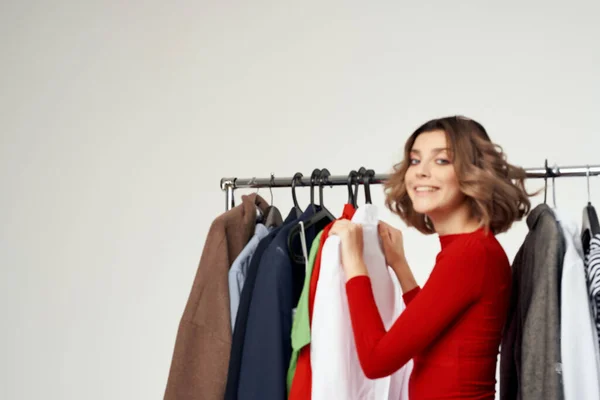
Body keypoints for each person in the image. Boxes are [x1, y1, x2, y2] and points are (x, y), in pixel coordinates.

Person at [330, 116, 532, 399]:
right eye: (415, 160)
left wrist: (354, 263)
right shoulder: (470, 248)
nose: (421, 172)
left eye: (441, 161)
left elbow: (377, 361)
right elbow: (433, 335)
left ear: (473, 172)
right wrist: (400, 266)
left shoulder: (469, 254)